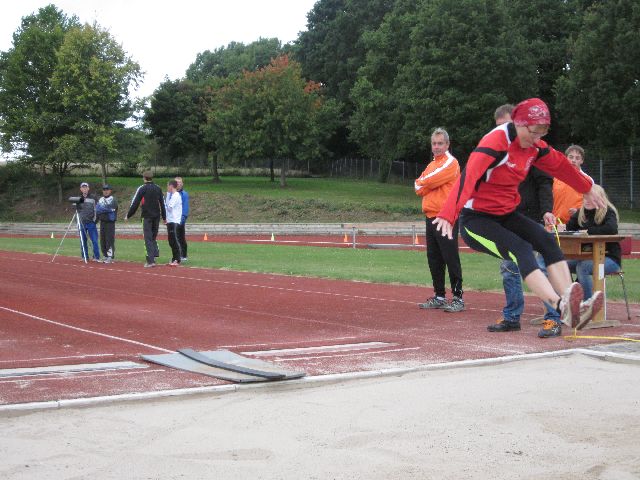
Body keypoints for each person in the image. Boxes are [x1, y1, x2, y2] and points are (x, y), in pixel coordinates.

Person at [433, 98, 608, 333]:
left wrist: (586, 187)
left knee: (547, 241)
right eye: (533, 132)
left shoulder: (535, 146)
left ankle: (571, 303)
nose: (536, 139)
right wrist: (448, 213)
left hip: (506, 214)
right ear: (519, 123)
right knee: (521, 249)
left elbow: (559, 165)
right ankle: (560, 307)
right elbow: (468, 176)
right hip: (476, 220)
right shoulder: (496, 142)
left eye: (541, 133)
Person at [488, 104, 562, 337]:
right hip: (506, 218)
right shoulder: (496, 151)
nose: (503, 132)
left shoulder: (532, 148)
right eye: (498, 127)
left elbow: (544, 182)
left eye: (506, 126)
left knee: (539, 267)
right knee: (508, 268)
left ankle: (553, 318)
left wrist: (547, 210)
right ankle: (512, 316)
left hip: (530, 217)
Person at [415, 127, 464, 313]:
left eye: (440, 143)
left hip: (446, 216)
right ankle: (439, 296)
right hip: (430, 215)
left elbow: (425, 182)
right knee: (434, 257)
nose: (436, 147)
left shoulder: (451, 163)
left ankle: (458, 297)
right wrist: (426, 184)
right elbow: (418, 187)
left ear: (447, 144)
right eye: (434, 143)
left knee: (450, 256)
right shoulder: (431, 165)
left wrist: (426, 184)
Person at [566, 184, 621, 300]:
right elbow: (570, 228)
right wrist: (573, 217)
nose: (587, 201)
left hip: (610, 258)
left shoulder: (608, 211)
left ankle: (588, 304)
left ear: (600, 198)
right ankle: (571, 299)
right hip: (586, 256)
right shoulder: (582, 212)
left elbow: (611, 229)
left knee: (583, 267)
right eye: (585, 198)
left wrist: (587, 231)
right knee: (561, 264)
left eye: (590, 198)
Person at [125, 171, 166, 268]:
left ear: (144, 178)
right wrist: (164, 217)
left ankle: (150, 261)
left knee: (148, 238)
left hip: (146, 217)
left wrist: (129, 215)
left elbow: (135, 203)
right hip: (156, 217)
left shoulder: (142, 188)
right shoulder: (158, 188)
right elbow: (162, 203)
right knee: (153, 237)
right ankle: (154, 255)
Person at [553, 145, 585, 224]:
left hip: (577, 224)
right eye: (571, 157)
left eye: (577, 158)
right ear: (565, 158)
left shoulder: (587, 180)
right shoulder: (555, 178)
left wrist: (578, 212)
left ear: (582, 161)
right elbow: (548, 199)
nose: (573, 160)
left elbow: (592, 205)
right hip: (555, 224)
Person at [76, 182, 100, 262]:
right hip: (82, 223)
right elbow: (77, 211)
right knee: (83, 241)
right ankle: (84, 256)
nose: (84, 189)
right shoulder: (79, 199)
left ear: (88, 188)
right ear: (81, 189)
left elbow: (97, 209)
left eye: (86, 187)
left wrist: (95, 221)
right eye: (83, 187)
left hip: (91, 223)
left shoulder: (94, 198)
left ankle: (96, 257)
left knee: (94, 240)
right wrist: (78, 221)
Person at [96, 184, 118, 264]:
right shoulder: (101, 199)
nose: (105, 191)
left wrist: (103, 209)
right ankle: (105, 255)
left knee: (109, 239)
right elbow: (98, 210)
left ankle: (110, 256)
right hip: (102, 222)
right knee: (103, 239)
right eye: (104, 190)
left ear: (110, 191)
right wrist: (104, 209)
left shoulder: (113, 200)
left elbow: (111, 209)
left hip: (110, 222)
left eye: (107, 190)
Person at [165, 179, 183, 266]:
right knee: (171, 241)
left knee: (174, 240)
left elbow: (169, 207)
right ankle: (174, 258)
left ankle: (177, 259)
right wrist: (168, 194)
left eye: (168, 186)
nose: (167, 187)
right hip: (170, 220)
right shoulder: (172, 195)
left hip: (174, 221)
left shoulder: (176, 195)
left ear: (171, 186)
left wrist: (164, 206)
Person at [175, 176, 189, 262]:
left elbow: (185, 207)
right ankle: (178, 255)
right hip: (173, 219)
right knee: (175, 238)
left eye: (180, 182)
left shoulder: (184, 194)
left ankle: (183, 255)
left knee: (181, 238)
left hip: (180, 220)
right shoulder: (172, 193)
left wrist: (183, 218)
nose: (178, 184)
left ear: (182, 184)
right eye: (177, 182)